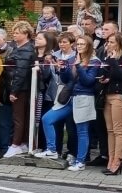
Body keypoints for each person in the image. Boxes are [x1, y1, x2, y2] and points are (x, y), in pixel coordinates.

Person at [35, 35, 100, 171]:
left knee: (81, 131)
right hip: (69, 97)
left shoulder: (95, 61)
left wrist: (78, 67)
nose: (80, 46)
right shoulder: (72, 59)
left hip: (83, 97)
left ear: (88, 46)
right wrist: (62, 69)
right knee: (47, 119)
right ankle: (52, 149)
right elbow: (65, 79)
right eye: (79, 44)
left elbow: (88, 81)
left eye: (83, 44)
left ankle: (80, 161)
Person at [96, 30, 122, 175]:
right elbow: (105, 74)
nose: (108, 45)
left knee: (119, 130)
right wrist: (103, 77)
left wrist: (112, 61)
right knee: (110, 130)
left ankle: (118, 160)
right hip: (107, 95)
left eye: (111, 42)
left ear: (119, 44)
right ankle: (111, 159)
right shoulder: (107, 58)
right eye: (108, 42)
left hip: (120, 96)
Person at [2, 22, 37, 158]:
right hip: (20, 87)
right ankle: (21, 142)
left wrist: (14, 91)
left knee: (18, 117)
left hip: (21, 88)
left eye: (17, 33)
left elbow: (20, 72)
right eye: (14, 32)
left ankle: (16, 144)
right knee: (20, 116)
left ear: (25, 34)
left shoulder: (26, 50)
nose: (14, 35)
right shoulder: (19, 48)